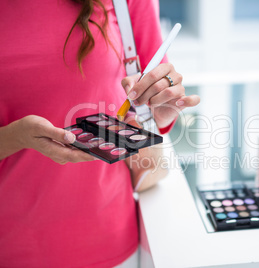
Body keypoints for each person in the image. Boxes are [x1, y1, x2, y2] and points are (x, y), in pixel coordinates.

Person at [0, 0, 200, 267]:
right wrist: (13, 137)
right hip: (10, 248)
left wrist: (155, 108)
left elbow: (153, 98)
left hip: (111, 242)